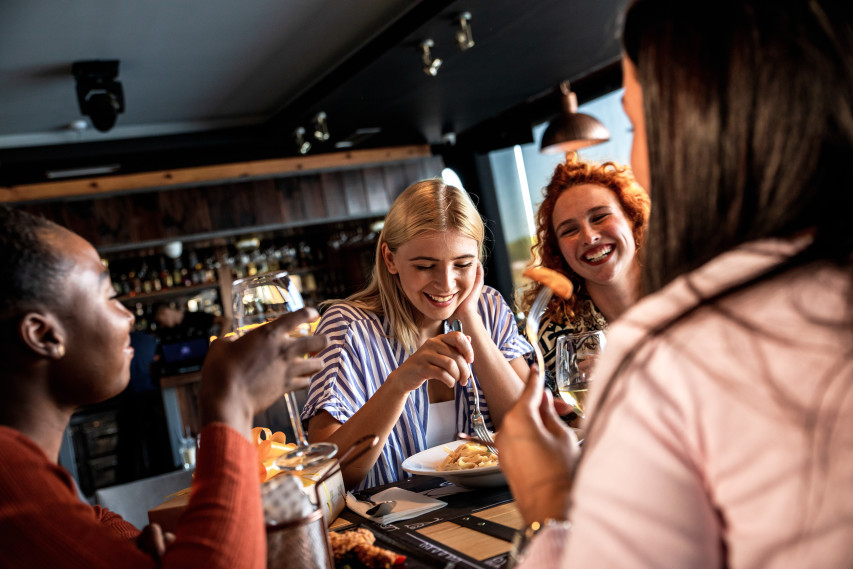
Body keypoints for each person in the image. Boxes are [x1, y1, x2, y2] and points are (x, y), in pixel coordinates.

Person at [497, 1, 853, 567]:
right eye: (568, 230)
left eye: (636, 126)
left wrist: (547, 501)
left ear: (700, 132)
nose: (639, 155)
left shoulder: (672, 348)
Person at [0, 206, 328, 567]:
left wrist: (129, 545)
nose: (128, 316)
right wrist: (229, 403)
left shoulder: (28, 475)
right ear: (43, 335)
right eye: (110, 297)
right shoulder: (8, 478)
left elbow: (86, 518)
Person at [302, 179, 532, 490]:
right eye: (425, 266)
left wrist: (470, 320)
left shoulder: (487, 306)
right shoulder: (347, 328)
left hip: (492, 512)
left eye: (463, 264)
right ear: (390, 259)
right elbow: (327, 476)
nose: (447, 284)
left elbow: (531, 430)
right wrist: (399, 385)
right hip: (391, 527)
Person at [517, 153, 649, 383]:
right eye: (569, 230)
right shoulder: (549, 336)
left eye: (599, 217)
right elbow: (552, 416)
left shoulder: (688, 291)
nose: (589, 237)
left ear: (632, 216)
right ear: (558, 251)